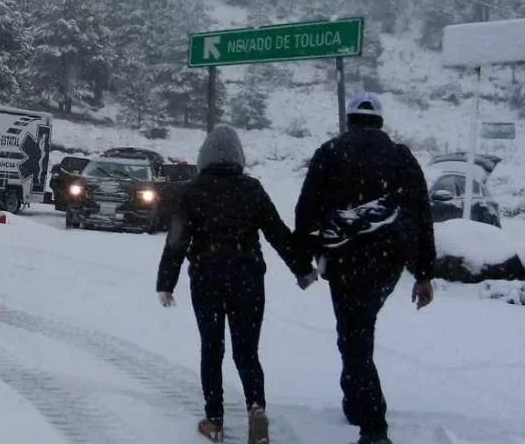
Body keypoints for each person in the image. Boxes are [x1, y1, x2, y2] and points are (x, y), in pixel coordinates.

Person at [157, 124, 317, 444]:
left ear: (204, 157)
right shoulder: (252, 189)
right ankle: (256, 409)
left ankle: (214, 420)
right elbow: (278, 233)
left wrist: (166, 282)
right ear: (238, 157)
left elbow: (176, 242)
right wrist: (302, 268)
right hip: (248, 280)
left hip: (207, 280)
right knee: (247, 351)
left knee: (212, 349)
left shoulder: (192, 191)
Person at [293, 92, 436, 444]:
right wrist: (423, 272)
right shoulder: (401, 157)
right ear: (380, 122)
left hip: (344, 262)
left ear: (350, 120)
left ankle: (373, 425)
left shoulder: (329, 153)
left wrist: (304, 258)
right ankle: (355, 400)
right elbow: (421, 215)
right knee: (357, 330)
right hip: (388, 263)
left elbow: (305, 210)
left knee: (355, 335)